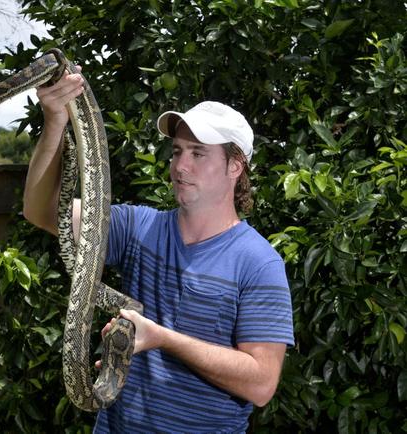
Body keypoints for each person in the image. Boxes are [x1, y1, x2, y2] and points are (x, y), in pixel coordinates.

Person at [22, 69, 294, 433]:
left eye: (198, 154)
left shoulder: (259, 263)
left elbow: (261, 384)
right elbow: (40, 211)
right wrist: (55, 120)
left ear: (235, 166)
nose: (180, 166)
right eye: (178, 151)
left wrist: (161, 338)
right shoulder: (138, 227)